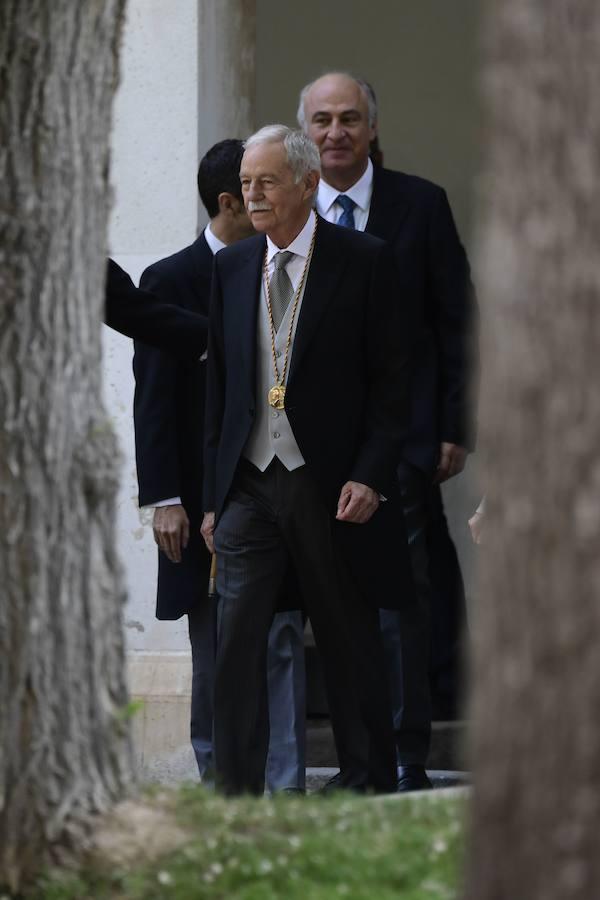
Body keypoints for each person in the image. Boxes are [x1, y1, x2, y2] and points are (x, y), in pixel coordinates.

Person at [201, 124, 413, 796]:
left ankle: (366, 779)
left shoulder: (365, 259)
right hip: (247, 485)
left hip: (329, 484)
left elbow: (392, 382)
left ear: (306, 184)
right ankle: (235, 792)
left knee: (348, 638)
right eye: (245, 185)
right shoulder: (231, 267)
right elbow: (221, 390)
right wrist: (211, 495)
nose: (251, 195)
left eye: (265, 182)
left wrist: (371, 474)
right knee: (235, 642)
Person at [298, 72, 478, 790]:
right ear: (304, 132)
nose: (335, 133)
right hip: (305, 440)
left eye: (348, 119)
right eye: (321, 121)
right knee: (332, 604)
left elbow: (457, 320)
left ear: (372, 128)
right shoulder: (289, 204)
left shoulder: (419, 205)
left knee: (402, 600)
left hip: (402, 434)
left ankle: (406, 757)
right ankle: (355, 758)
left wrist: (456, 423)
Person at [132, 140, 307, 792]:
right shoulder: (170, 280)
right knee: (215, 648)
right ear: (230, 200)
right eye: (255, 188)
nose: (268, 198)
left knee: (282, 637)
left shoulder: (288, 267)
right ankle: (219, 782)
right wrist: (167, 498)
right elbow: (154, 404)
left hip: (279, 488)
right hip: (204, 497)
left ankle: (287, 789)